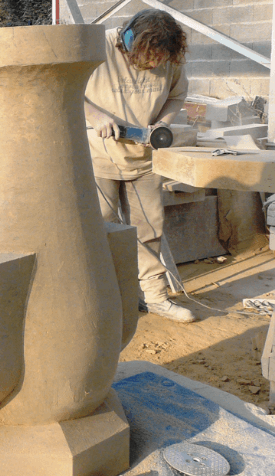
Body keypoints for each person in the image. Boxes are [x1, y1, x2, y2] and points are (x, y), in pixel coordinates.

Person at [85, 8, 197, 323]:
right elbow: (65, 88)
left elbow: (177, 95)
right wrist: (94, 116)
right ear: (133, 43)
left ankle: (157, 299)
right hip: (99, 156)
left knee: (149, 231)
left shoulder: (170, 57)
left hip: (145, 160)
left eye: (162, 58)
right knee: (104, 232)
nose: (157, 65)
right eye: (150, 58)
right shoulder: (99, 46)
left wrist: (160, 124)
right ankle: (111, 302)